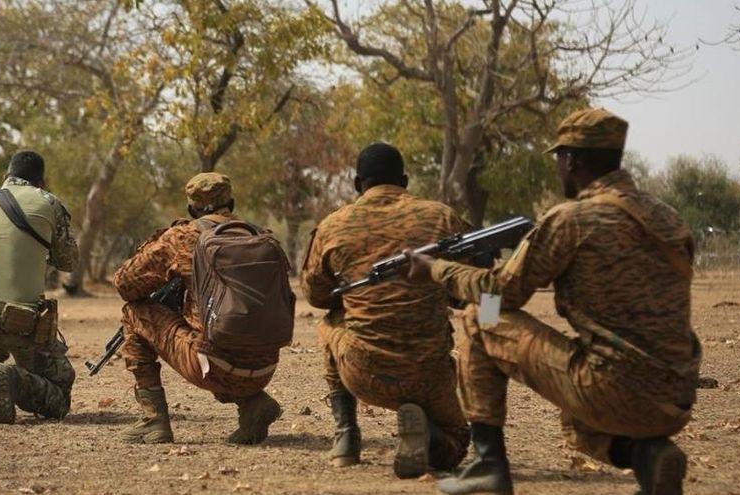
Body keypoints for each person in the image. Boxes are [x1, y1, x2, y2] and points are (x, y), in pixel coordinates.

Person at [404, 108, 700, 495]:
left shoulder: (571, 220)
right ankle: (649, 455)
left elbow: (501, 291)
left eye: (559, 159)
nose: (558, 168)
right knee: (576, 423)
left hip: (612, 389)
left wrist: (435, 269)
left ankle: (488, 463)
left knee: (481, 313)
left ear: (572, 160)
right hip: (676, 395)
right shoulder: (669, 218)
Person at [300, 143, 471, 479]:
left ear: (356, 183)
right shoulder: (442, 217)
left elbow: (316, 296)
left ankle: (346, 436)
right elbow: (465, 292)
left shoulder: (334, 225)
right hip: (431, 373)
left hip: (365, 372)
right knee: (457, 441)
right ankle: (430, 434)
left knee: (331, 321)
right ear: (404, 180)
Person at [114, 172, 283, 445]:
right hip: (265, 367)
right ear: (232, 203)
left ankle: (153, 420)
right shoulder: (261, 236)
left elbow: (124, 284)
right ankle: (253, 403)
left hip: (213, 367)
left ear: (191, 209)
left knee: (133, 313)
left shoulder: (183, 237)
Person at [0, 150, 78, 424]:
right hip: (25, 323)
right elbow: (68, 261)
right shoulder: (49, 203)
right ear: (42, 182)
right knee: (62, 385)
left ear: (5, 176)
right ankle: (14, 379)